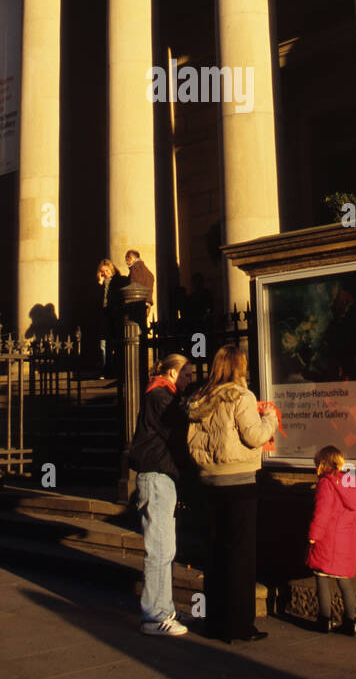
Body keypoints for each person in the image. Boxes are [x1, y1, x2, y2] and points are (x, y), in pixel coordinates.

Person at [186, 346, 277, 644]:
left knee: (215, 555)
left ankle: (215, 622)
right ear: (239, 367)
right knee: (240, 556)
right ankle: (240, 625)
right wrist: (270, 418)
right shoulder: (243, 396)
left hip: (209, 482)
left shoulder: (200, 398)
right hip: (239, 482)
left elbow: (192, 442)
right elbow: (254, 436)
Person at [128, 353, 193, 636]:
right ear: (172, 373)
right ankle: (154, 615)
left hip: (161, 476)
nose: (190, 379)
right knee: (159, 549)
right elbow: (176, 430)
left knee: (166, 548)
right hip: (156, 476)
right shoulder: (159, 396)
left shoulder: (164, 395)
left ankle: (164, 608)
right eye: (187, 374)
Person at [306, 445, 356, 635]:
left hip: (328, 537)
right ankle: (351, 622)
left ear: (322, 464)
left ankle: (325, 620)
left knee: (322, 579)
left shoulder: (326, 483)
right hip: (346, 539)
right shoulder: (350, 482)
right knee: (344, 581)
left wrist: (313, 536)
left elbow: (322, 513)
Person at [96, 259, 125, 377]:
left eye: (107, 271)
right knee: (103, 344)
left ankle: (115, 369)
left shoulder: (118, 280)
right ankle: (106, 369)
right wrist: (99, 283)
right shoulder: (102, 283)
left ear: (111, 269)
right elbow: (97, 300)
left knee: (115, 344)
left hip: (114, 316)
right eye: (102, 272)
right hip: (105, 316)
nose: (105, 273)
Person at [125, 250, 154, 328]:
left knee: (136, 330)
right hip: (146, 302)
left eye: (128, 258)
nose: (126, 261)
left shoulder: (135, 268)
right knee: (143, 328)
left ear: (133, 258)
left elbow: (133, 286)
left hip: (137, 304)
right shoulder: (145, 269)